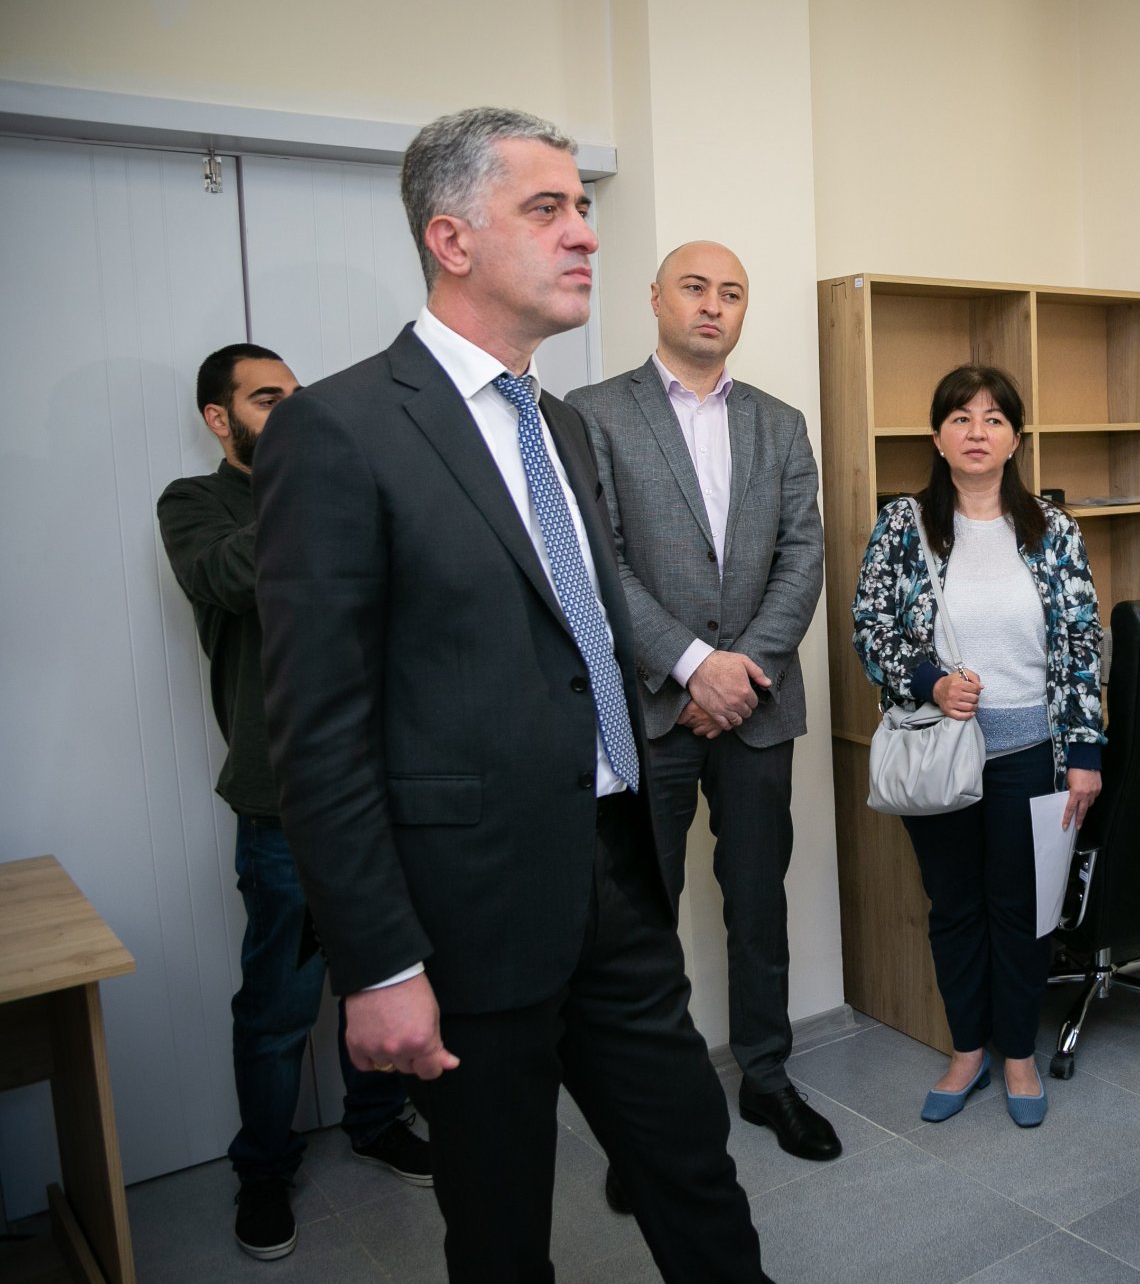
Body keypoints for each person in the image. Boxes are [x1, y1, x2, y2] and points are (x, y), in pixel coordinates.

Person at [253, 106, 765, 1283]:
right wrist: (379, 964)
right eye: (547, 209)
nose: (585, 233)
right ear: (451, 239)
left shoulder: (561, 429)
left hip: (614, 870)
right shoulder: (338, 431)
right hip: (465, 910)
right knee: (498, 1221)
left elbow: (577, 636)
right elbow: (318, 735)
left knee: (690, 1160)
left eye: (582, 206)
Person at [568, 240, 837, 1201]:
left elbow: (803, 555)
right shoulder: (592, 414)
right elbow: (598, 561)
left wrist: (742, 673)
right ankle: (655, 1117)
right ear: (655, 298)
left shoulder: (780, 422)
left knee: (758, 901)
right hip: (652, 707)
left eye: (731, 292)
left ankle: (766, 1077)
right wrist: (691, 666)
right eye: (695, 287)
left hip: (755, 709)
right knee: (642, 920)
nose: (713, 305)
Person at [157, 343, 429, 1261]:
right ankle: (264, 1168)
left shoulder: (343, 491)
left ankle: (378, 1119)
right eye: (268, 399)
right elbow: (227, 577)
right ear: (219, 418)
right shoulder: (194, 505)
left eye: (299, 397)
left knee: (382, 968)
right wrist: (316, 489)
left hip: (380, 780)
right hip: (277, 798)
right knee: (279, 1002)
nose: (294, 411)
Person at [851, 364, 1104, 1129]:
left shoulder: (1053, 529)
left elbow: (1082, 643)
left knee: (1020, 910)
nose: (976, 432)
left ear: (1015, 439)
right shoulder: (903, 525)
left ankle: (1018, 1052)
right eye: (960, 417)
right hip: (940, 750)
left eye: (994, 419)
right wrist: (931, 682)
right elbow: (871, 628)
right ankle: (968, 1049)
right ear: (937, 436)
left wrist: (1085, 750)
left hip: (1031, 751)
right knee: (955, 905)